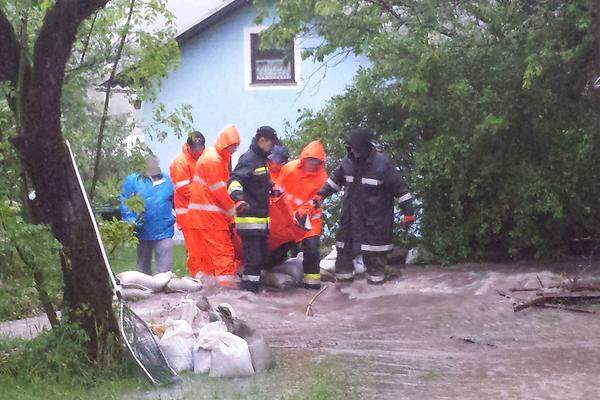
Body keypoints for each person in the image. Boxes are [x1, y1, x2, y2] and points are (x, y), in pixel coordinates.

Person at [316, 128, 414, 284]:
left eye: (355, 148)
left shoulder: (382, 164)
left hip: (375, 222)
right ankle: (343, 297)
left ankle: (375, 299)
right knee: (343, 257)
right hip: (350, 220)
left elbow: (400, 189)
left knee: (375, 263)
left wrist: (408, 212)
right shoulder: (347, 162)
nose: (353, 151)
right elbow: (335, 180)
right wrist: (321, 195)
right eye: (350, 148)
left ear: (364, 146)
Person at [187, 125, 240, 286]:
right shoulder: (214, 160)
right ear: (225, 144)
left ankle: (206, 290)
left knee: (204, 259)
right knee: (223, 252)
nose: (233, 151)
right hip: (211, 218)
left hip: (200, 217)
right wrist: (234, 214)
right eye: (232, 147)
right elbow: (220, 191)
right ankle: (227, 291)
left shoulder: (214, 157)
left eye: (235, 148)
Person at [228, 126, 278, 292]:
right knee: (253, 262)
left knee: (261, 259)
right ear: (262, 140)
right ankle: (249, 295)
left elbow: (257, 180)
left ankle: (253, 292)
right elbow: (234, 181)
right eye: (271, 143)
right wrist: (238, 199)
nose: (272, 148)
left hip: (260, 222)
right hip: (249, 222)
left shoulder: (260, 159)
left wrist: (272, 187)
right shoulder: (249, 159)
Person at [277, 140, 328, 289]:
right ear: (303, 158)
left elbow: (317, 200)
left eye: (315, 160)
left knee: (312, 250)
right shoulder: (289, 169)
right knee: (278, 247)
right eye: (310, 159)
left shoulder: (322, 178)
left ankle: (312, 286)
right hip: (287, 217)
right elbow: (277, 192)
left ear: (320, 162)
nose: (312, 163)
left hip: (310, 220)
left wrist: (305, 211)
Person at [120, 155, 175, 274]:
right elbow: (125, 201)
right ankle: (144, 289)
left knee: (165, 270)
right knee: (143, 268)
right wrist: (130, 219)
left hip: (164, 229)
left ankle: (163, 288)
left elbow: (176, 201)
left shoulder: (167, 180)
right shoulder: (133, 180)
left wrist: (179, 217)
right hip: (143, 229)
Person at [169, 131, 205, 276]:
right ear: (188, 146)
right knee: (194, 250)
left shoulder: (204, 158)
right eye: (195, 148)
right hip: (188, 215)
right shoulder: (180, 162)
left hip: (203, 213)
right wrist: (206, 195)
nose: (198, 151)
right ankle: (196, 277)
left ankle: (206, 275)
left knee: (206, 248)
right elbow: (184, 189)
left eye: (200, 147)